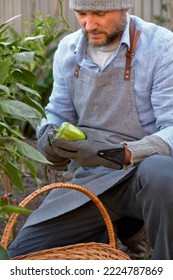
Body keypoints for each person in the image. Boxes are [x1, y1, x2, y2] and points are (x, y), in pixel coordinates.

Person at [8, 0, 173, 260]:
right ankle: (120, 227)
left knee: (163, 173)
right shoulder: (68, 49)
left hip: (142, 178)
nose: (89, 24)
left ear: (125, 7)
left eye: (99, 13)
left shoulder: (161, 47)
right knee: (18, 257)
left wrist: (120, 154)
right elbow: (57, 112)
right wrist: (47, 135)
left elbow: (171, 128)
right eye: (81, 13)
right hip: (91, 180)